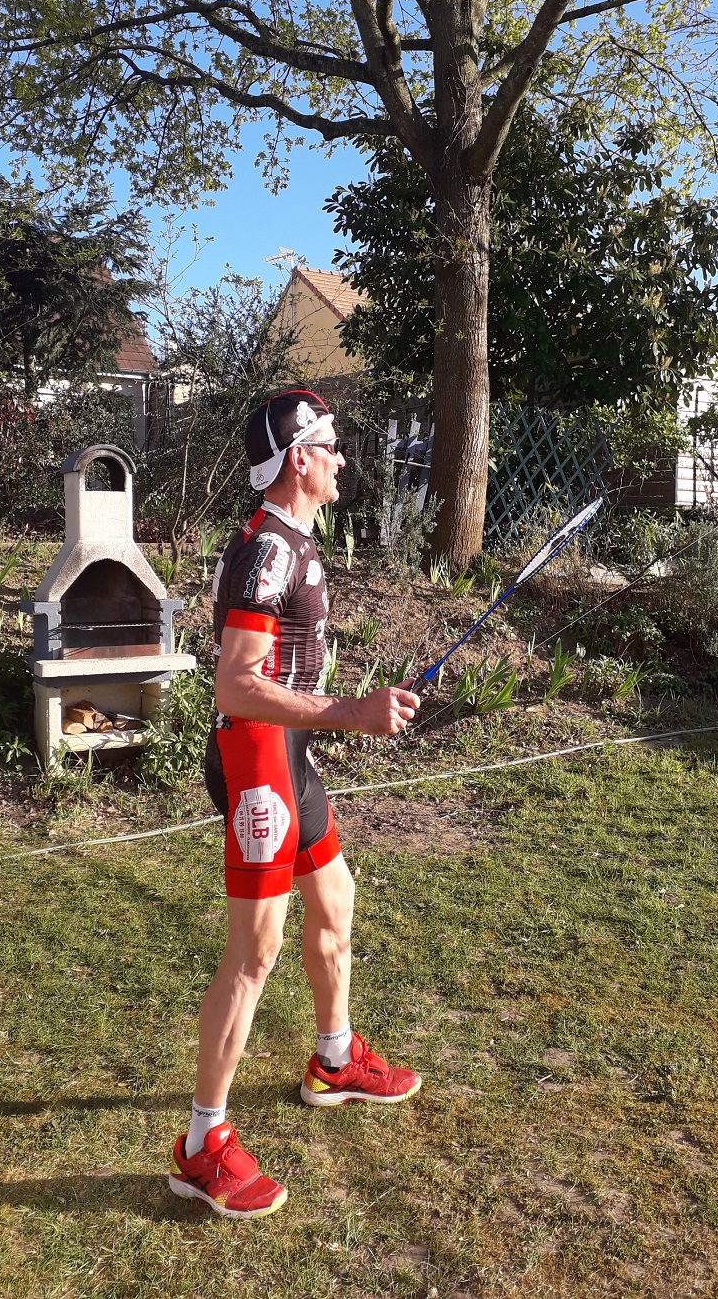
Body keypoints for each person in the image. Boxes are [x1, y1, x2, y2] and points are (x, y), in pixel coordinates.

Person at [168, 388, 422, 1218]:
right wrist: (353, 712)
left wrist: (342, 717)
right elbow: (235, 684)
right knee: (255, 952)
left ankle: (334, 1059)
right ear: (299, 459)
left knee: (337, 900)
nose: (344, 456)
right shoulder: (266, 553)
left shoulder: (295, 539)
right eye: (332, 444)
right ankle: (202, 1146)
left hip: (293, 757)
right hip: (255, 760)